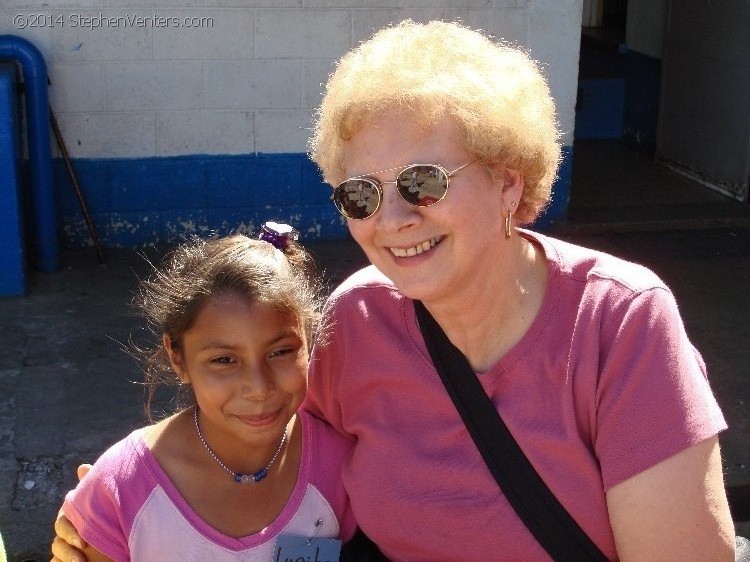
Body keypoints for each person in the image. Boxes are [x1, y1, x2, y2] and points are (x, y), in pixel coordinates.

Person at [52, 19, 735, 561]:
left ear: (509, 179)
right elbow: (263, 424)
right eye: (360, 194)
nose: (392, 220)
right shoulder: (358, 320)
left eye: (423, 182)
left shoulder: (619, 322)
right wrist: (120, 487)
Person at [54, 226, 356, 561]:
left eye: (281, 352)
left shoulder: (344, 467)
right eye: (224, 360)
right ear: (177, 357)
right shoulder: (123, 491)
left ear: (309, 340)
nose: (258, 388)